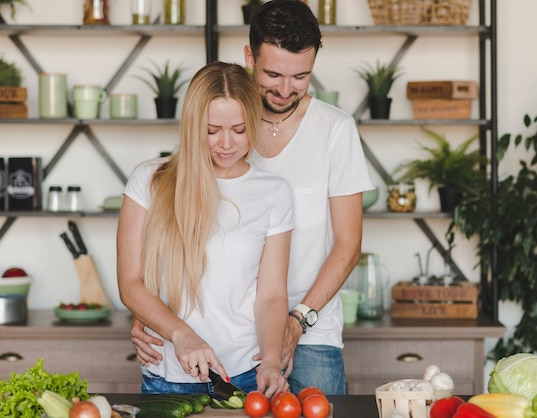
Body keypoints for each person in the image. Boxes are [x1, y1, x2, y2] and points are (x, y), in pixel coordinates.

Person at [132, 0, 373, 395]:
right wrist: (155, 314)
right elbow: (178, 220)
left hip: (312, 329)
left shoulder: (335, 129)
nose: (284, 89)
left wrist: (297, 321)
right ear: (249, 56)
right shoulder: (225, 121)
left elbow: (349, 244)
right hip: (233, 336)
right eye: (273, 73)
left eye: (300, 77)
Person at [117, 61, 293, 398]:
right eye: (212, 130)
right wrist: (182, 334)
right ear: (193, 125)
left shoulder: (274, 192)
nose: (226, 143)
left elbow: (270, 296)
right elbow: (131, 283)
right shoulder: (149, 180)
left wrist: (270, 360)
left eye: (239, 130)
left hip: (243, 375)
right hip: (165, 376)